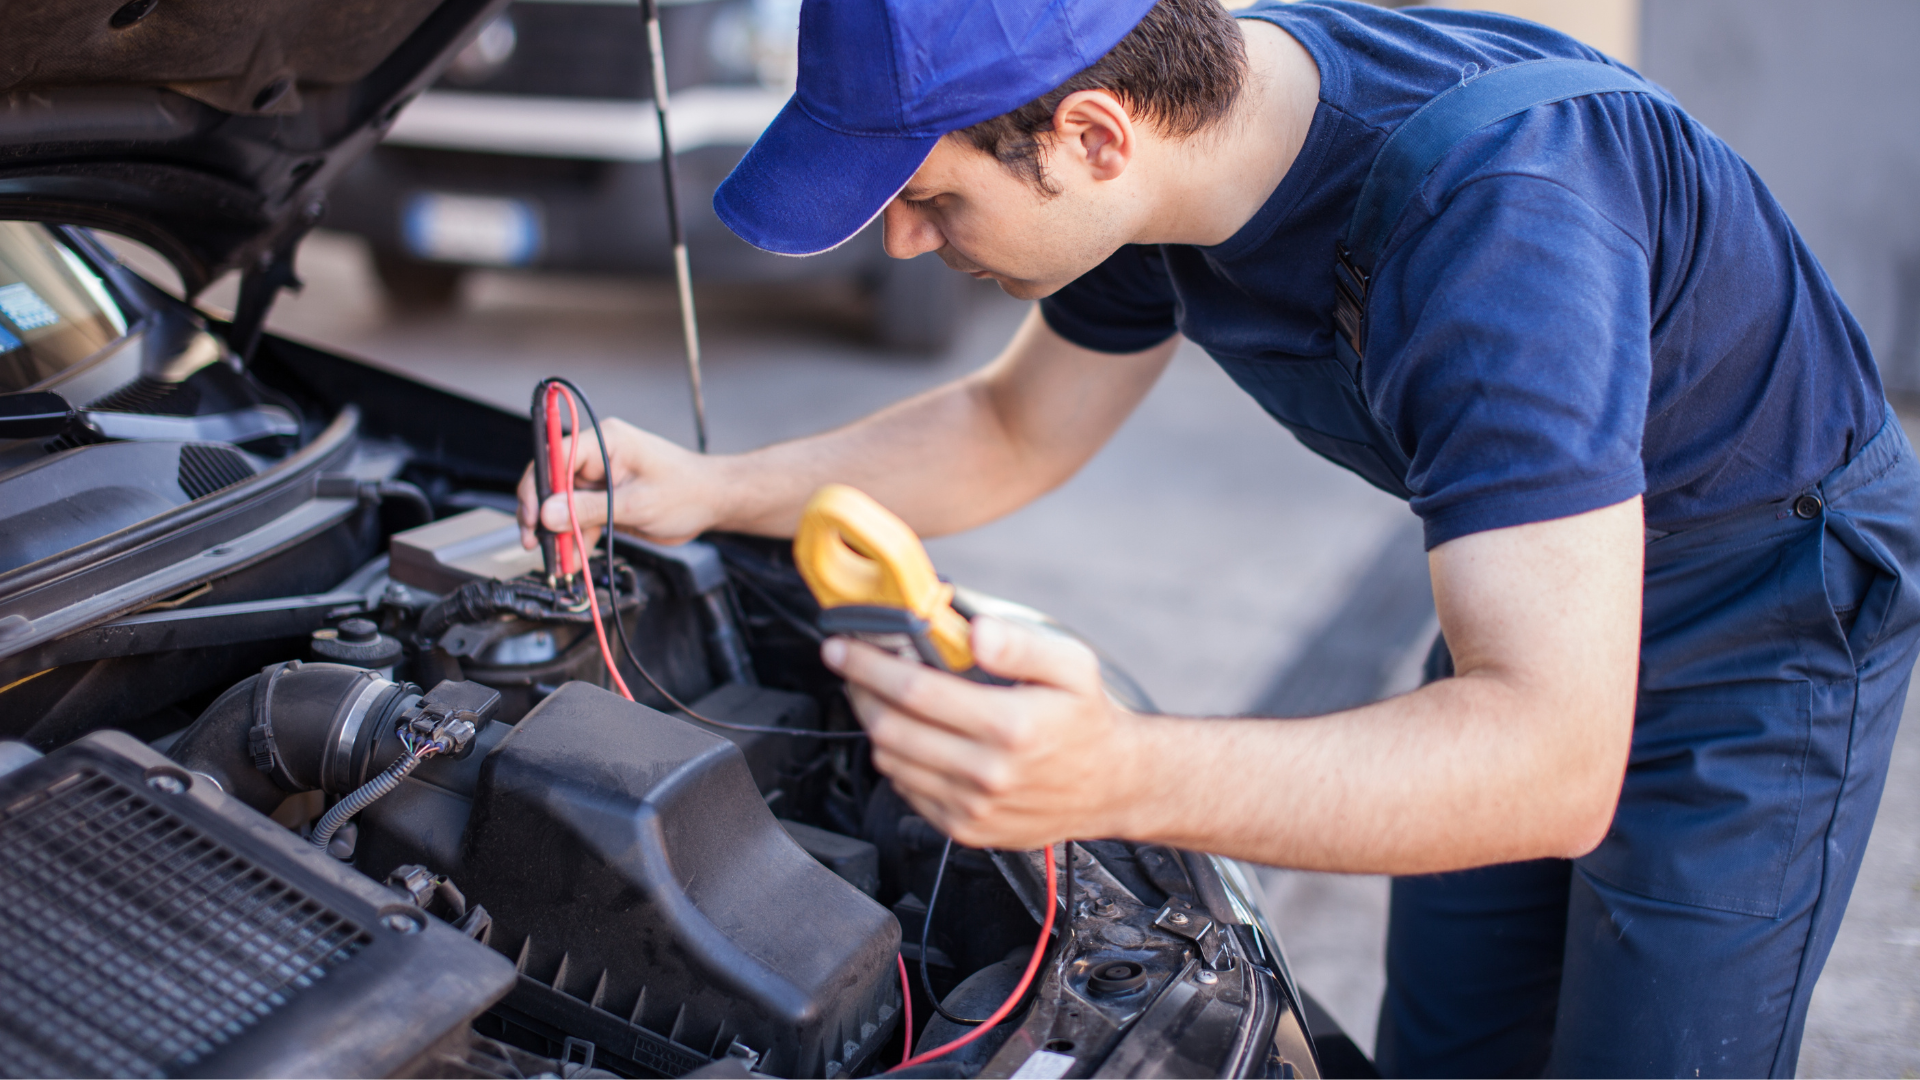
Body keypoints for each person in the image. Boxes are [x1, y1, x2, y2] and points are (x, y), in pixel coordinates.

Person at [517, 1, 1920, 1075]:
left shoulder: (1500, 226)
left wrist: (1116, 772)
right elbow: (1016, 428)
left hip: (1763, 618)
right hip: (1539, 591)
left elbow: (1549, 764)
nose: (902, 240)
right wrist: (707, 487)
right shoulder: (1173, 158)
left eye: (931, 196)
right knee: (1455, 1046)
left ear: (1093, 138)